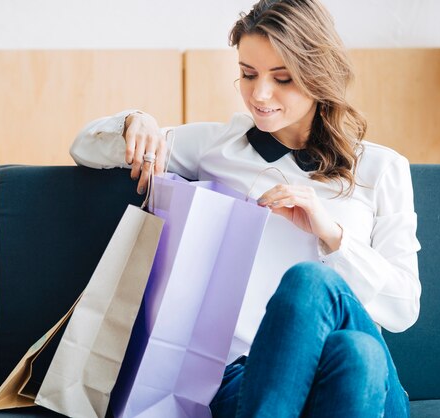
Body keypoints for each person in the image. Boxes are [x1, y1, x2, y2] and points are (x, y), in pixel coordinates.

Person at [70, 0, 421, 416]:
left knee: (335, 319)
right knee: (355, 350)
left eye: (282, 78)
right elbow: (85, 148)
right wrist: (135, 120)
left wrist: (331, 235)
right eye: (248, 74)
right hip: (246, 375)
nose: (260, 94)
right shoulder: (218, 147)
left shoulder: (382, 169)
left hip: (369, 387)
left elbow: (403, 308)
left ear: (318, 75)